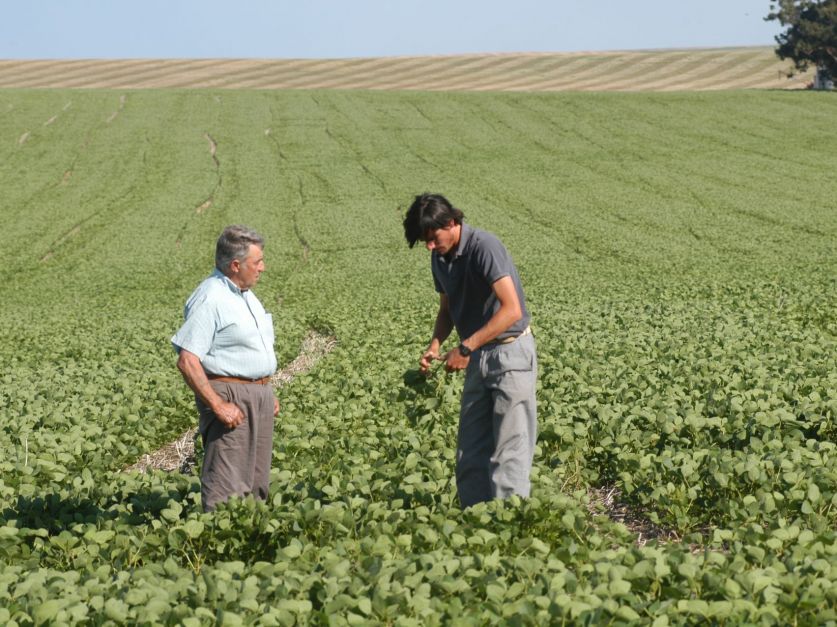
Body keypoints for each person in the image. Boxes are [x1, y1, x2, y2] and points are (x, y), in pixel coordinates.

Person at [403, 193, 538, 508]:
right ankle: (475, 534)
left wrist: (465, 347)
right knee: (470, 454)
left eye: (433, 238)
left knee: (510, 455)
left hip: (510, 354)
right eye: (425, 241)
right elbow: (446, 310)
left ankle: (509, 531)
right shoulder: (440, 258)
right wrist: (435, 344)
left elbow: (511, 309)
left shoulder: (484, 247)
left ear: (451, 223)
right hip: (479, 357)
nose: (429, 247)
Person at [171, 225, 279, 512]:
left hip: (257, 396)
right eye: (257, 262)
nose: (263, 268)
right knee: (227, 484)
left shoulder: (247, 297)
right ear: (235, 265)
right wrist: (218, 405)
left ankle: (250, 545)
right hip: (230, 396)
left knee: (256, 484)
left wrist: (265, 391)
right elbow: (188, 360)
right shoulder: (210, 298)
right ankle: (217, 541)